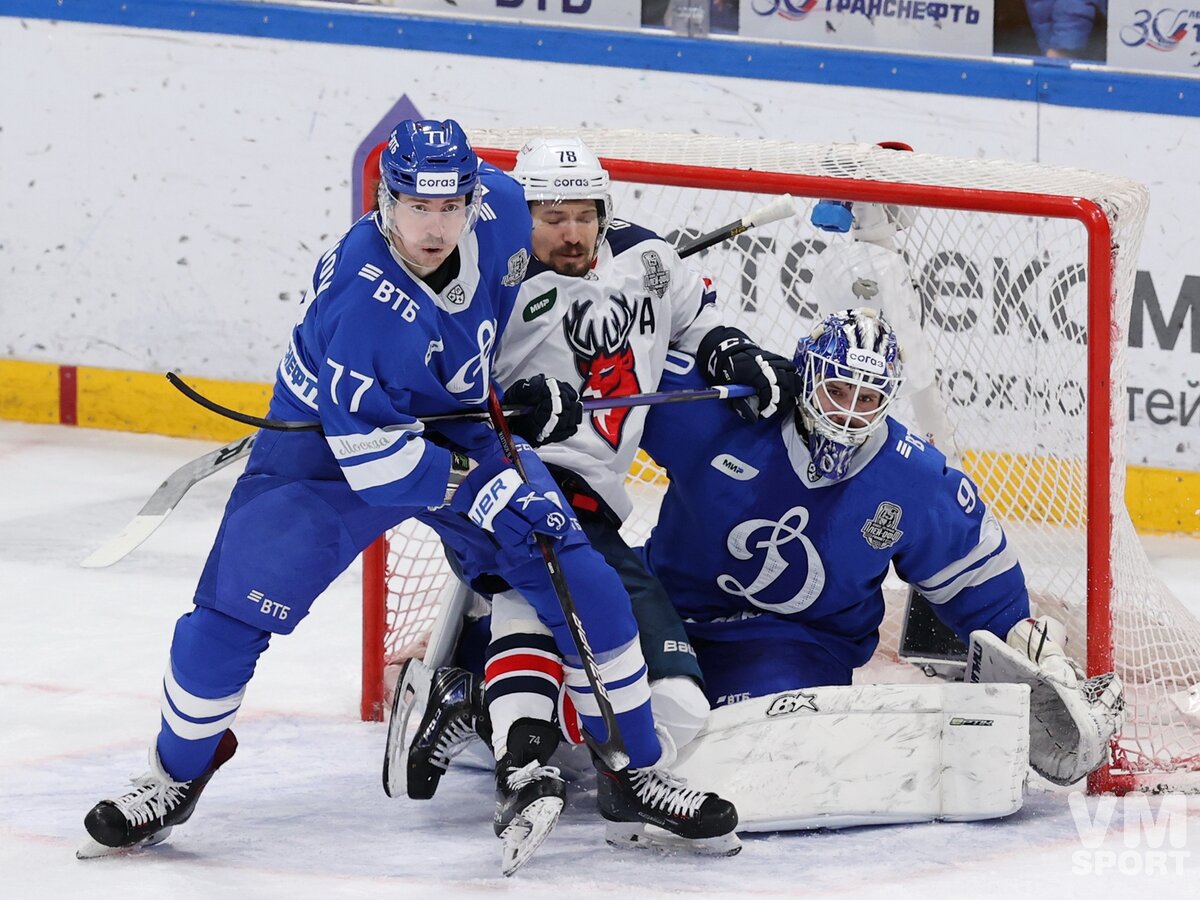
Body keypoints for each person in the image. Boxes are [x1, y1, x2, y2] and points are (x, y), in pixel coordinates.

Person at [76, 119, 729, 862]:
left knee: (581, 575)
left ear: (475, 199)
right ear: (386, 200)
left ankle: (633, 772)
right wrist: (485, 488)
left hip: (458, 428)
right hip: (329, 455)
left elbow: (568, 261)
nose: (434, 228)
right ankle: (172, 777)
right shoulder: (363, 303)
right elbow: (380, 469)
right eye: (417, 206)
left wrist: (537, 389)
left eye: (450, 207)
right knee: (227, 620)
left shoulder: (505, 208)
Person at [398, 136, 796, 865]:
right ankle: (595, 776)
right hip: (509, 477)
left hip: (601, 498)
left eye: (584, 216)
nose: (572, 234)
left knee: (674, 701)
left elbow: (695, 320)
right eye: (552, 218)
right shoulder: (482, 276)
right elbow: (436, 388)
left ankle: (476, 703)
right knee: (542, 579)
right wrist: (507, 404)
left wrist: (730, 350)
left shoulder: (647, 259)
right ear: (519, 214)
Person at [639, 306, 1124, 792]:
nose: (849, 412)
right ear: (806, 374)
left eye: (867, 397)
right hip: (665, 611)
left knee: (756, 751)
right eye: (837, 390)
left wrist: (1025, 641)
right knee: (605, 686)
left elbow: (975, 575)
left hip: (794, 644)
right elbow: (613, 393)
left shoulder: (911, 478)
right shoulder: (725, 410)